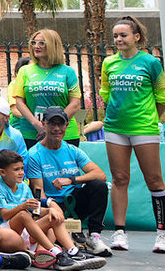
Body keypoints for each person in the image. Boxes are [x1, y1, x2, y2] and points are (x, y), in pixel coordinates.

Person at [98, 15, 165, 254]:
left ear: (136, 37)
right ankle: (120, 232)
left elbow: (163, 96)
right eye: (116, 36)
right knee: (119, 178)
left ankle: (162, 235)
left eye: (123, 35)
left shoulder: (151, 62)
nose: (118, 39)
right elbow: (106, 92)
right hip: (115, 128)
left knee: (154, 180)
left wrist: (151, 117)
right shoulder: (109, 63)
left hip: (144, 128)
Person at [0, 149, 104, 271]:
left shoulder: (23, 186)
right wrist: (22, 206)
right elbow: (5, 215)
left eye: (22, 168)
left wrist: (50, 211)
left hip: (27, 231)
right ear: (2, 172)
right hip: (7, 231)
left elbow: (35, 210)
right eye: (16, 169)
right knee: (23, 215)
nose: (21, 173)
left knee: (53, 216)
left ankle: (71, 252)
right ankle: (56, 253)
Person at [24, 106, 111, 257]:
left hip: (74, 203)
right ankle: (66, 242)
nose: (56, 128)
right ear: (43, 124)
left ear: (66, 126)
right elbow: (39, 192)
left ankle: (94, 235)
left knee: (98, 186)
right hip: (53, 204)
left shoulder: (72, 150)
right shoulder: (34, 154)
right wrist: (52, 209)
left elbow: (100, 175)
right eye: (52, 123)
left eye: (60, 124)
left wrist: (72, 180)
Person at [10, 29, 82, 149]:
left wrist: (55, 125)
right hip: (31, 133)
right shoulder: (25, 71)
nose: (36, 46)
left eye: (42, 43)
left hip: (65, 134)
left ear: (54, 45)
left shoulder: (68, 71)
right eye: (34, 43)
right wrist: (38, 125)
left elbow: (75, 103)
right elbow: (19, 102)